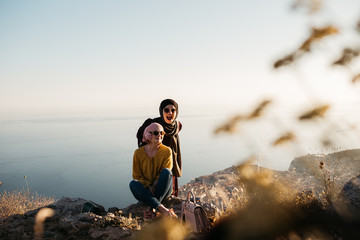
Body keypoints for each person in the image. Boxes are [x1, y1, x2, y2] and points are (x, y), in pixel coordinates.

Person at [130, 122, 177, 218]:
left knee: (167, 172)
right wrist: (148, 186)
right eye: (156, 133)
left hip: (162, 188)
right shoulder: (138, 153)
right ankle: (160, 207)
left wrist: (155, 184)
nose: (159, 135)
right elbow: (137, 175)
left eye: (161, 133)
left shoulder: (167, 151)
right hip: (147, 189)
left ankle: (153, 207)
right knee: (133, 183)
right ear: (148, 135)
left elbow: (165, 170)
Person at [136, 99, 182, 196]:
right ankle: (155, 205)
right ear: (161, 111)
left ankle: (161, 204)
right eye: (166, 110)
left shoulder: (176, 126)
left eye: (173, 110)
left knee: (169, 190)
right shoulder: (153, 124)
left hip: (169, 164)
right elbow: (140, 135)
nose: (170, 113)